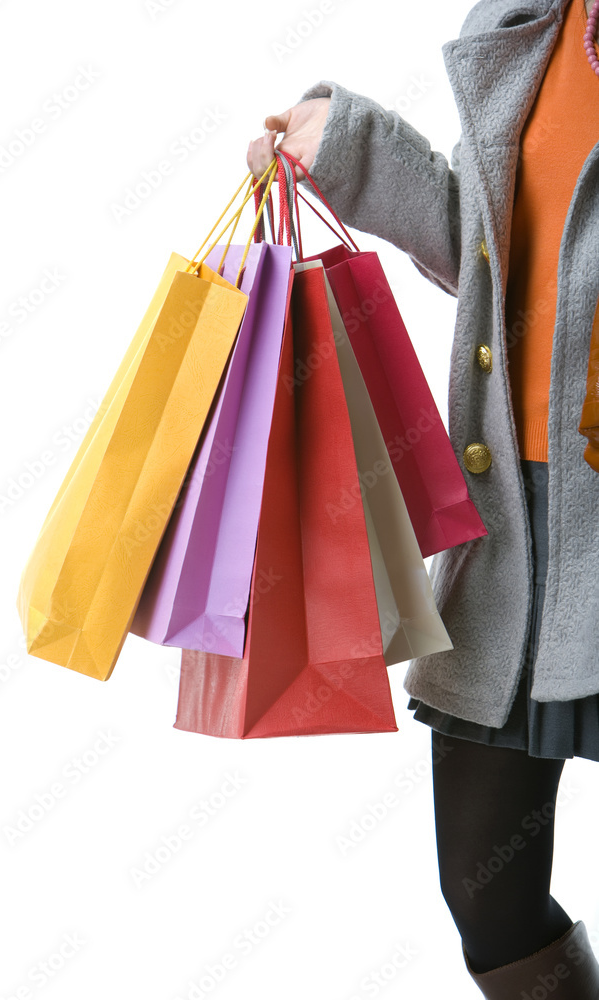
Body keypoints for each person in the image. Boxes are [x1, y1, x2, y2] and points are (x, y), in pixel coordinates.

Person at [247, 0, 599, 996]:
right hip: (517, 537)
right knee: (484, 892)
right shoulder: (531, 26)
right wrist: (351, 150)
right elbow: (492, 261)